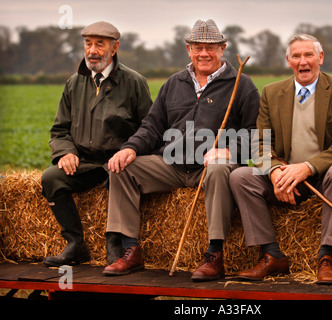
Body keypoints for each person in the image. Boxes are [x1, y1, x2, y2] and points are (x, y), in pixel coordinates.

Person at [102, 19, 260, 279]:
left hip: (211, 167)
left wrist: (229, 151)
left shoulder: (242, 84)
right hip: (172, 164)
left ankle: (214, 255)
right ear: (189, 50)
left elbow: (256, 134)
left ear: (223, 48)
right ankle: (131, 251)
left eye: (211, 47)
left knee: (220, 169)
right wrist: (130, 148)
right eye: (198, 47)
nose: (204, 53)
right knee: (122, 169)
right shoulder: (174, 83)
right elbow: (152, 126)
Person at [229, 34, 332, 283]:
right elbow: (260, 144)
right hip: (287, 179)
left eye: (309, 55)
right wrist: (274, 173)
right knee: (240, 176)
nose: (303, 61)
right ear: (288, 61)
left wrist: (308, 167)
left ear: (320, 58)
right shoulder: (272, 93)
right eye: (296, 56)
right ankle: (272, 255)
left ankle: (327, 257)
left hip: (326, 177)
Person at [41, 21, 153, 267]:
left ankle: (115, 243)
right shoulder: (74, 83)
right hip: (86, 163)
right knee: (51, 178)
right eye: (88, 44)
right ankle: (75, 243)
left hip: (118, 163)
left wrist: (129, 152)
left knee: (118, 175)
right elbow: (60, 129)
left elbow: (149, 127)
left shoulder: (134, 82)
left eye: (99, 45)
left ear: (114, 48)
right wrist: (65, 152)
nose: (92, 51)